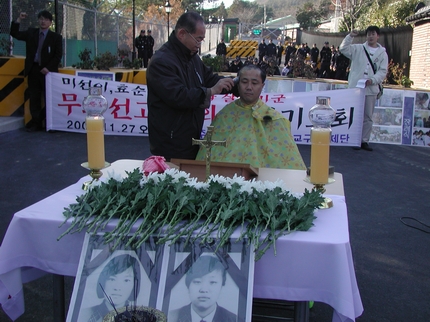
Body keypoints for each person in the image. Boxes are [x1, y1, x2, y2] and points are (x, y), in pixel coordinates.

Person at [146, 12, 235, 160]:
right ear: (182, 33)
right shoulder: (161, 62)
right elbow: (178, 96)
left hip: (189, 137)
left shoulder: (192, 58)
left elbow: (209, 78)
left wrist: (236, 85)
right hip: (170, 144)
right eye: (198, 39)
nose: (199, 45)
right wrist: (211, 91)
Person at [196, 64, 305, 170]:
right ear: (237, 84)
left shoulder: (275, 119)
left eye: (254, 83)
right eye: (244, 82)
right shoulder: (224, 115)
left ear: (262, 86)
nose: (249, 87)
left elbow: (287, 160)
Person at [10, 10, 62, 132]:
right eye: (41, 19)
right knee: (34, 98)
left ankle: (44, 121)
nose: (43, 21)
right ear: (38, 20)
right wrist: (19, 19)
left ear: (50, 22)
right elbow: (14, 33)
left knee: (49, 98)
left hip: (48, 72)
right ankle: (36, 124)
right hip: (33, 69)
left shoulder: (56, 37)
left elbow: (58, 55)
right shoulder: (31, 33)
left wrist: (48, 68)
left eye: (46, 19)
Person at [340, 26, 388, 151]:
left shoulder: (382, 53)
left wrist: (373, 80)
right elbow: (343, 48)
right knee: (355, 115)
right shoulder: (358, 48)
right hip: (356, 89)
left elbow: (383, 71)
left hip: (371, 89)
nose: (371, 36)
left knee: (368, 116)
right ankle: (353, 139)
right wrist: (350, 36)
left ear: (378, 36)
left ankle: (364, 140)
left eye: (373, 34)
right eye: (368, 34)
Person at [168, 255, 238, 322]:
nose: (204, 290)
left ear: (221, 285)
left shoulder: (235, 320)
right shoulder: (170, 317)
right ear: (188, 284)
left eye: (212, 282)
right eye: (197, 282)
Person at [79, 254, 141, 322]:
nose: (117, 287)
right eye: (112, 279)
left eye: (126, 280)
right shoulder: (84, 315)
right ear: (103, 281)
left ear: (134, 284)